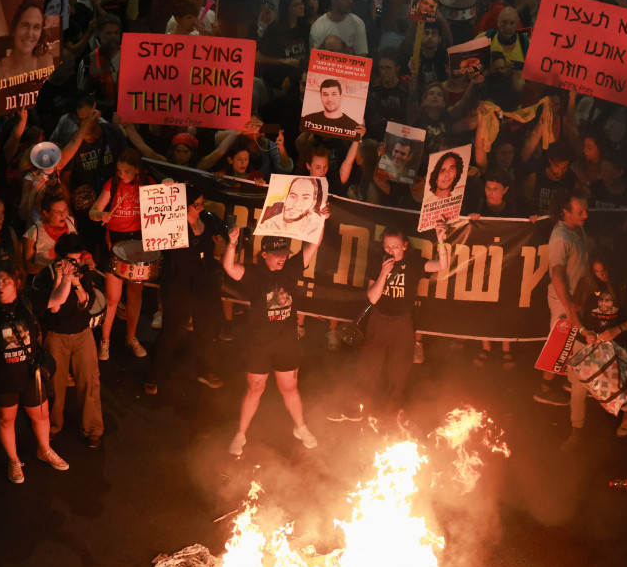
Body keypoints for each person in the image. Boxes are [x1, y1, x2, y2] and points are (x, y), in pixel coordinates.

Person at [333, 221, 449, 422]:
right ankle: (357, 408)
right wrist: (383, 273)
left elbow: (442, 265)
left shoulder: (413, 262)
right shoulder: (378, 261)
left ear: (405, 245)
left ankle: (392, 413)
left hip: (402, 323)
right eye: (387, 246)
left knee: (399, 369)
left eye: (395, 246)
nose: (391, 250)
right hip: (379, 320)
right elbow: (373, 298)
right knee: (368, 366)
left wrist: (440, 239)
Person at [0, 261, 70, 483]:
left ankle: (44, 450)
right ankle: (14, 460)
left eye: (5, 280)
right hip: (1, 377)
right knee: (6, 420)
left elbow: (58, 299)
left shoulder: (28, 302)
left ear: (16, 282)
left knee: (41, 415)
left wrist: (68, 278)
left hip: (30, 373)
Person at [222, 232, 321, 457]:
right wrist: (232, 243)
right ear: (264, 255)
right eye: (277, 255)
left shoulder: (292, 269)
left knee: (290, 387)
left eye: (284, 254)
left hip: (286, 342)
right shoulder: (254, 274)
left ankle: (300, 427)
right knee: (255, 389)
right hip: (259, 344)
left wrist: (320, 220)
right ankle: (241, 433)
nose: (282, 258)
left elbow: (314, 244)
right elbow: (229, 267)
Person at [561, 250, 627, 447]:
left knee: (615, 384)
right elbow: (573, 313)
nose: (602, 275)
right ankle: (577, 429)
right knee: (578, 388)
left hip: (612, 342)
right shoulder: (587, 284)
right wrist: (585, 331)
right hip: (587, 341)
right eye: (597, 271)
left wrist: (618, 329)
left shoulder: (626, 285)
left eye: (605, 271)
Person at [146, 187, 227, 395]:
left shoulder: (208, 221)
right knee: (173, 328)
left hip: (204, 280)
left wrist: (220, 245)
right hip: (178, 281)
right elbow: (154, 235)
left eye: (202, 204)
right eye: (195, 205)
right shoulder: (172, 223)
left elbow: (217, 252)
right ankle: (154, 375)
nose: (200, 209)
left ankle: (205, 370)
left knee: (206, 330)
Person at [32, 234, 104, 446]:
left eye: (78, 258)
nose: (75, 263)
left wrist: (76, 283)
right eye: (71, 260)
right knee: (54, 384)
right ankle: (53, 426)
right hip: (57, 336)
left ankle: (92, 428)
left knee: (90, 381)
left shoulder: (82, 272)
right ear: (59, 257)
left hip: (83, 334)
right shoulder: (46, 275)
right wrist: (60, 278)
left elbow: (86, 302)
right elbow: (53, 307)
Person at [89, 149, 152, 360]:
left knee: (135, 294)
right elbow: (93, 210)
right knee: (113, 298)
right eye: (119, 170)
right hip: (114, 242)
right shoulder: (113, 184)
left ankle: (131, 337)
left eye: (126, 171)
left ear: (137, 170)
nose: (121, 175)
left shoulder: (147, 184)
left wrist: (168, 186)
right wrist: (101, 214)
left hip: (138, 242)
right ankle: (104, 341)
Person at [534, 191, 589, 407]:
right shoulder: (560, 238)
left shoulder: (577, 228)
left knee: (572, 342)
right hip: (564, 300)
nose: (585, 214)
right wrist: (569, 307)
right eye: (580, 211)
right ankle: (544, 389)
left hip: (576, 298)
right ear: (565, 213)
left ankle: (569, 382)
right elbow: (556, 275)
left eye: (585, 209)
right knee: (560, 344)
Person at [0, 0, 53, 80]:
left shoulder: (46, 62)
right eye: (25, 25)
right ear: (14, 29)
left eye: (36, 27)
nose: (29, 34)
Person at [257, 176, 330, 243]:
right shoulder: (269, 225)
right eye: (293, 196)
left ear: (313, 203)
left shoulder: (314, 226)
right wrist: (258, 186)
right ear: (286, 197)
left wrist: (323, 219)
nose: (296, 204)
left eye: (305, 198)